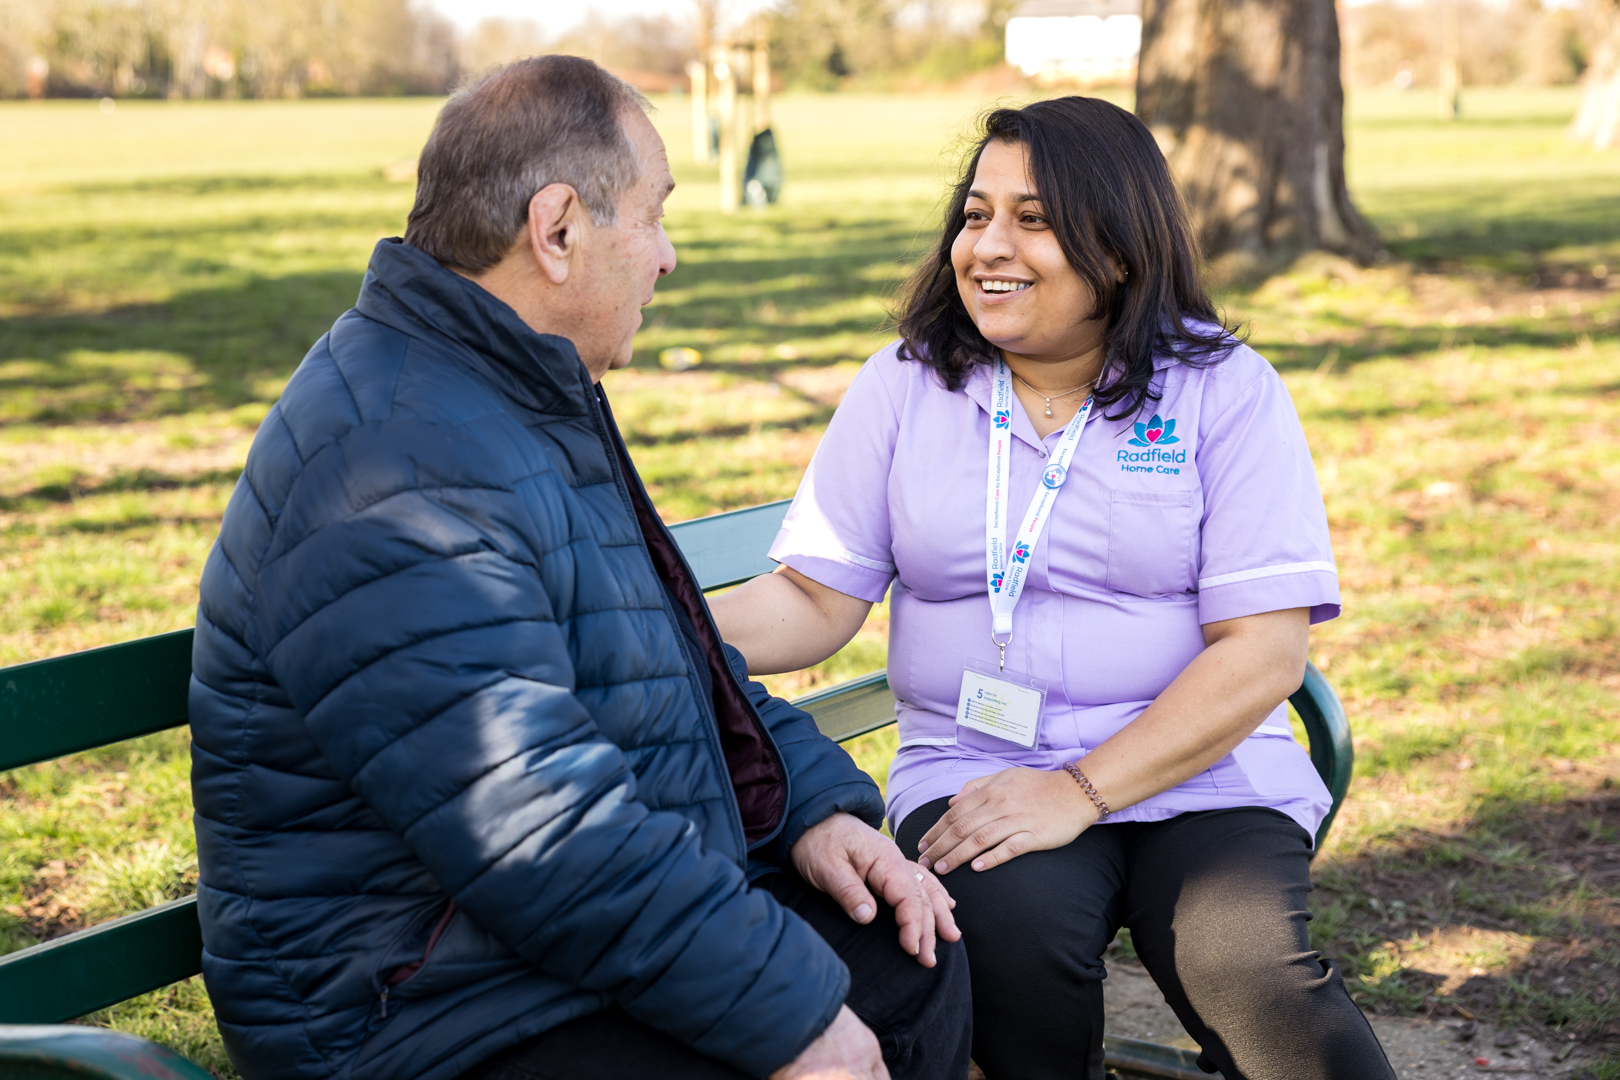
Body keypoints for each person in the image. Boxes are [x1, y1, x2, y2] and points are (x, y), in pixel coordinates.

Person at [187, 56, 970, 1080]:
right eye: (652, 217)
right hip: (421, 1006)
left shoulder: (510, 392)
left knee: (907, 954)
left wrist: (812, 809)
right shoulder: (394, 460)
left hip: (539, 941)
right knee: (821, 1025)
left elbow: (673, 662)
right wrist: (792, 1020)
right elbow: (533, 824)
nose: (668, 258)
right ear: (556, 230)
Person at [710, 97, 1397, 1080]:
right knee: (1011, 945)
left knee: (1247, 967)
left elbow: (1265, 650)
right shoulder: (904, 386)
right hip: (977, 768)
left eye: (1033, 220)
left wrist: (1078, 790)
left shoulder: (1224, 390)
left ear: (1118, 247)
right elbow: (815, 603)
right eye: (976, 214)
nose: (988, 246)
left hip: (1199, 770)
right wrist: (659, 623)